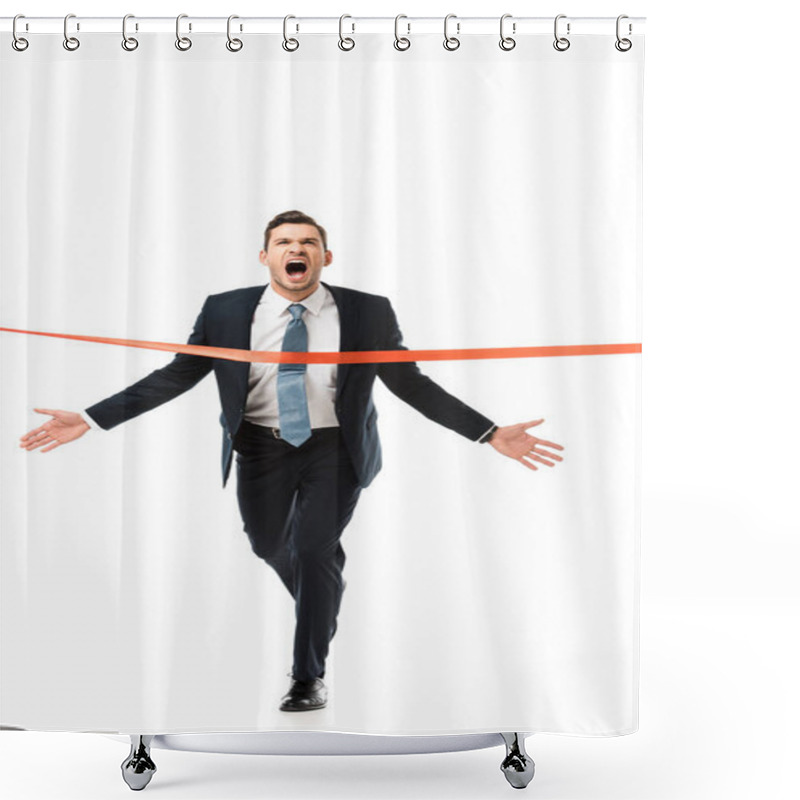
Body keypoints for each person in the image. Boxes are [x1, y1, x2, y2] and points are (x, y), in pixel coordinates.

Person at [19, 210, 564, 712]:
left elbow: (409, 383)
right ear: (266, 256)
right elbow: (177, 375)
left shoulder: (366, 312)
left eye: (309, 242)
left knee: (311, 548)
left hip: (335, 448)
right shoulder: (225, 310)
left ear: (327, 256)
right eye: (284, 242)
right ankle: (324, 587)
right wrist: (91, 419)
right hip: (258, 444)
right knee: (270, 545)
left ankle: (308, 676)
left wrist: (487, 431)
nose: (296, 249)